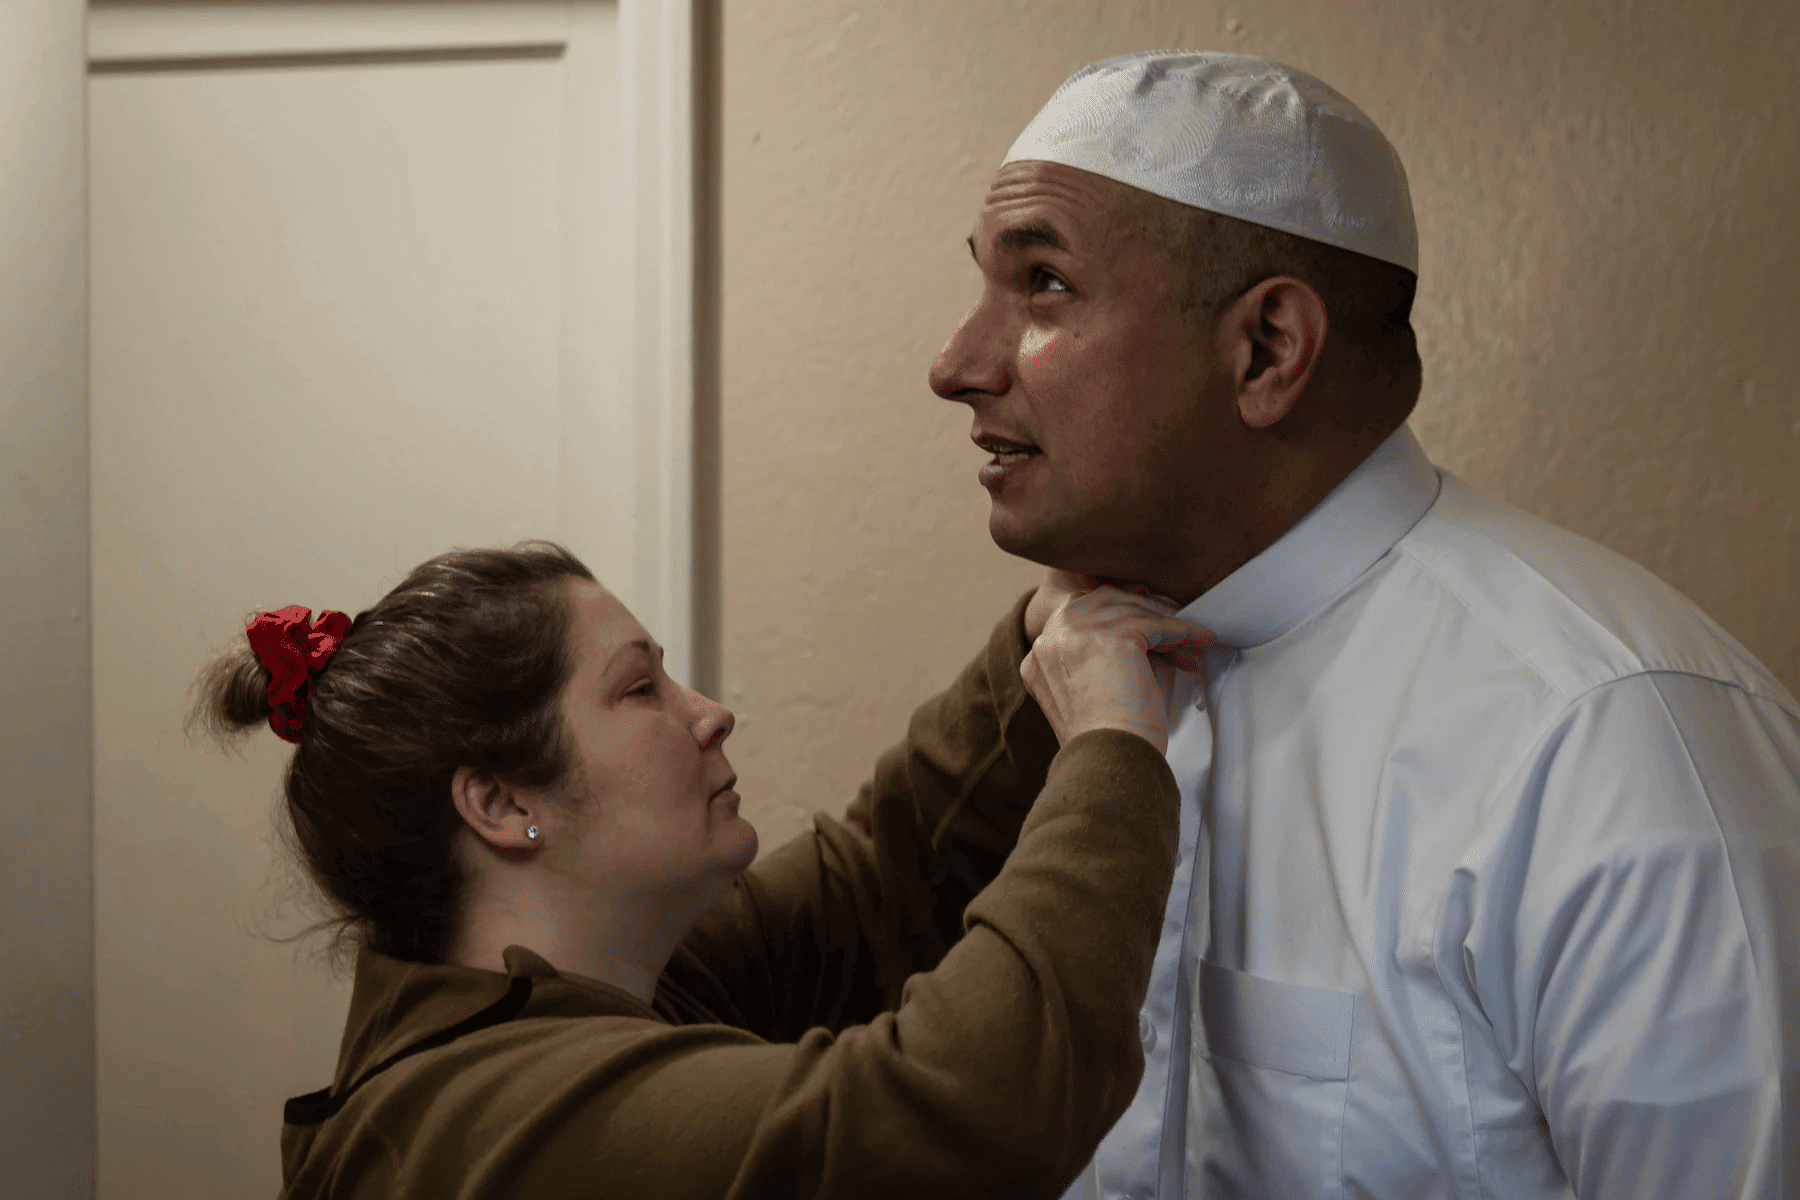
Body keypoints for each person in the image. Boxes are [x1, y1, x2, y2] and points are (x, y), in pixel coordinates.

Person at [928, 50, 1800, 1200]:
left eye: (1043, 285)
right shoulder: (1073, 685)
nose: (956, 366)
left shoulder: (1610, 746)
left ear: (1267, 350)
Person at [191, 540, 1215, 1199]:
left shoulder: (577, 995)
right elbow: (975, 1103)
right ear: (500, 804)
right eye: (640, 689)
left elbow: (875, 881)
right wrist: (1112, 747)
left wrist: (1041, 636)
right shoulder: (506, 1125)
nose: (711, 713)